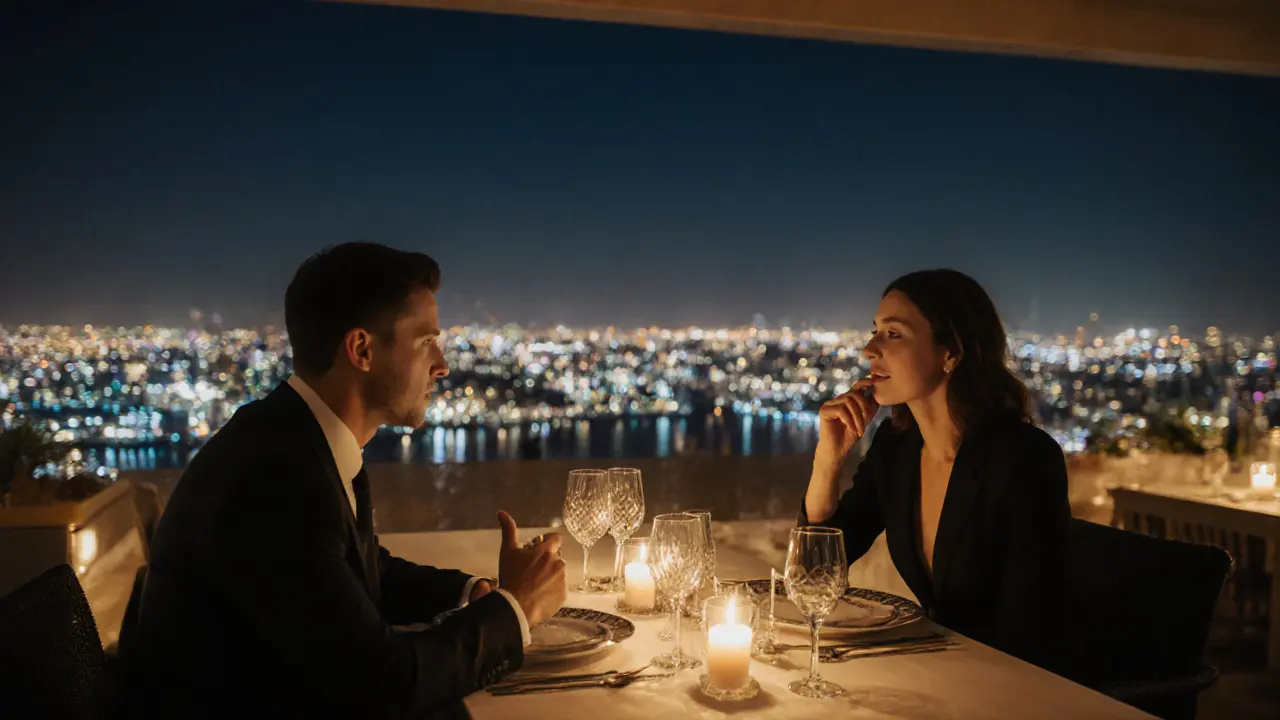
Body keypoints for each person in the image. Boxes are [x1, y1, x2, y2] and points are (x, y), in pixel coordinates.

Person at [121, 242, 567, 718]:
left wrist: (472, 592)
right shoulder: (275, 479)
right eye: (425, 342)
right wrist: (514, 607)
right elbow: (381, 685)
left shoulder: (295, 438)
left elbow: (359, 571)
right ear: (361, 349)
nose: (443, 364)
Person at [800, 269, 1070, 673]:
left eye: (894, 334)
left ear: (951, 352)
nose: (869, 348)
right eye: (874, 331)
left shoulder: (1024, 460)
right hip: (937, 673)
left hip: (1008, 689)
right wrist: (827, 461)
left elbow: (1030, 635)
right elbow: (816, 572)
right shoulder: (897, 447)